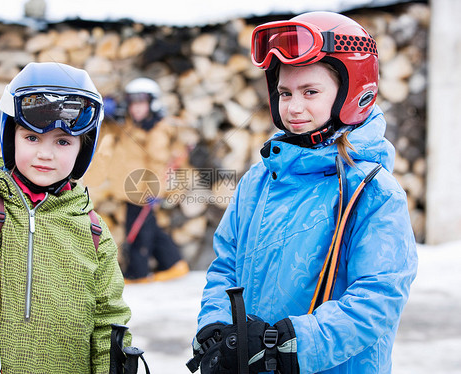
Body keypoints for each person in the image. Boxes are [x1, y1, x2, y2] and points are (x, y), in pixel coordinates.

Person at [189, 11, 418, 374]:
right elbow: (226, 267)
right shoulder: (258, 181)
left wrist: (295, 346)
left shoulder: (373, 192)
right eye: (285, 93)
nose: (294, 107)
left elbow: (378, 297)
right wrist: (217, 327)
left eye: (310, 92)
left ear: (352, 91)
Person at [0, 62, 131, 373]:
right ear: (10, 137)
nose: (45, 154)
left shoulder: (93, 231)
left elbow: (109, 323)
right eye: (31, 138)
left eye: (62, 142)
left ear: (82, 150)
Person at [90, 77, 189, 284]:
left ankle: (138, 272)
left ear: (152, 103)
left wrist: (155, 191)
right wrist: (105, 112)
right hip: (130, 189)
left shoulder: (157, 129)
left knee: (137, 233)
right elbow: (110, 129)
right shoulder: (129, 125)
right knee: (150, 228)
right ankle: (173, 263)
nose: (136, 109)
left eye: (141, 103)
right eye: (132, 103)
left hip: (143, 190)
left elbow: (158, 163)